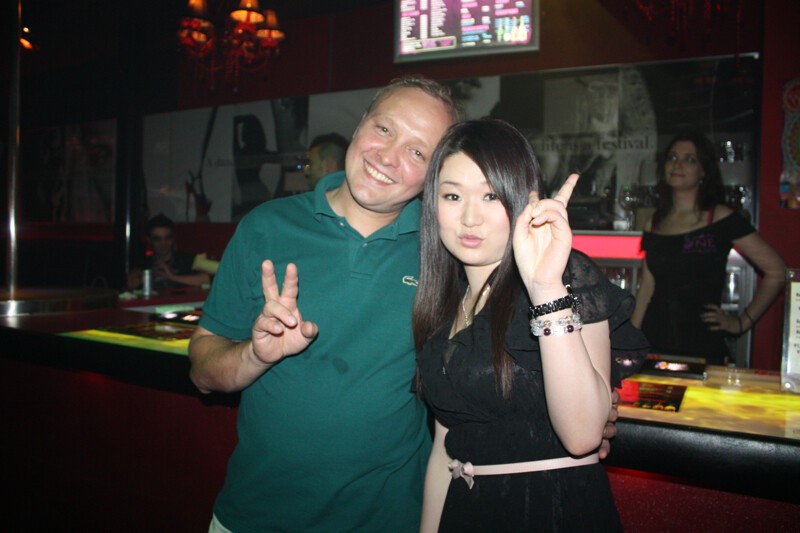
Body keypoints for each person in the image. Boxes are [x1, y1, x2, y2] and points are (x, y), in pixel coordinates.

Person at [187, 77, 620, 532]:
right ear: (360, 124)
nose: (388, 157)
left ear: (432, 175)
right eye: (384, 129)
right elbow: (201, 370)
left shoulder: (449, 249)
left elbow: (520, 352)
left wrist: (579, 412)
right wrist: (254, 356)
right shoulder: (265, 227)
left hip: (387, 518)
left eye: (417, 151)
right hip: (253, 516)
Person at [414, 118, 645, 532]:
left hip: (552, 511)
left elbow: (583, 435)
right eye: (452, 195)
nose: (470, 218)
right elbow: (444, 454)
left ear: (523, 200)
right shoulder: (443, 304)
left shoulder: (565, 277)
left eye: (490, 196)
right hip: (467, 513)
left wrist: (545, 288)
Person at [632, 131, 786, 365]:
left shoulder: (720, 217)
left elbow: (777, 272)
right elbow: (647, 287)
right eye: (672, 157)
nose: (678, 164)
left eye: (689, 159)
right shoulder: (653, 222)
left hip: (702, 344)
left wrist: (741, 322)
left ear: (703, 171)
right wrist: (630, 339)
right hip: (654, 341)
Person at [126, 213, 217, 291]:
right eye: (157, 239)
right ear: (149, 240)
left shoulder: (185, 259)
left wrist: (172, 276)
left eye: (167, 238)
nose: (163, 243)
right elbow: (130, 286)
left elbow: (206, 279)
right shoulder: (143, 263)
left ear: (173, 238)